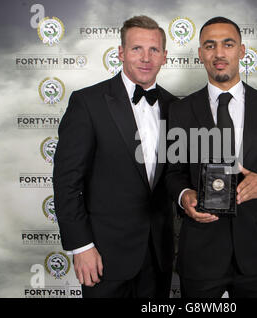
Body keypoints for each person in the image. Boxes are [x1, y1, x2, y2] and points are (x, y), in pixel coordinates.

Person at [165, 17, 257, 298]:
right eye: (210, 45)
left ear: (241, 50)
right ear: (201, 54)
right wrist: (184, 195)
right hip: (200, 255)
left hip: (253, 252)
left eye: (228, 44)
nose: (219, 53)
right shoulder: (180, 111)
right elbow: (172, 173)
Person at [53, 15, 177, 298]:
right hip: (103, 256)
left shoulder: (175, 107)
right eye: (136, 49)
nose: (145, 58)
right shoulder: (87, 103)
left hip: (158, 256)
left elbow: (175, 176)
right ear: (121, 52)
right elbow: (67, 182)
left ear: (164, 56)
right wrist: (81, 246)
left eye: (154, 50)